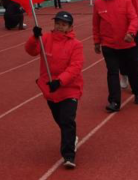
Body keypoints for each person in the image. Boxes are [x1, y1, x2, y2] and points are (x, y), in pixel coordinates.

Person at [26, 11, 84, 169]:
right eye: (57, 23)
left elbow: (75, 67)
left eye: (63, 24)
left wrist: (60, 81)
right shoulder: (45, 38)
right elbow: (31, 51)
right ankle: (71, 137)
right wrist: (34, 38)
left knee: (67, 120)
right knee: (60, 119)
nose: (59, 26)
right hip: (50, 89)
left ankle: (69, 155)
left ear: (70, 27)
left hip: (69, 88)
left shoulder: (76, 45)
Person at [92, 0, 138, 112]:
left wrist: (131, 33)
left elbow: (134, 19)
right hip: (109, 45)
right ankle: (114, 101)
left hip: (127, 44)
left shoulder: (125, 1)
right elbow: (96, 24)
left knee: (132, 70)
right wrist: (96, 41)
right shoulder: (98, 3)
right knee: (112, 73)